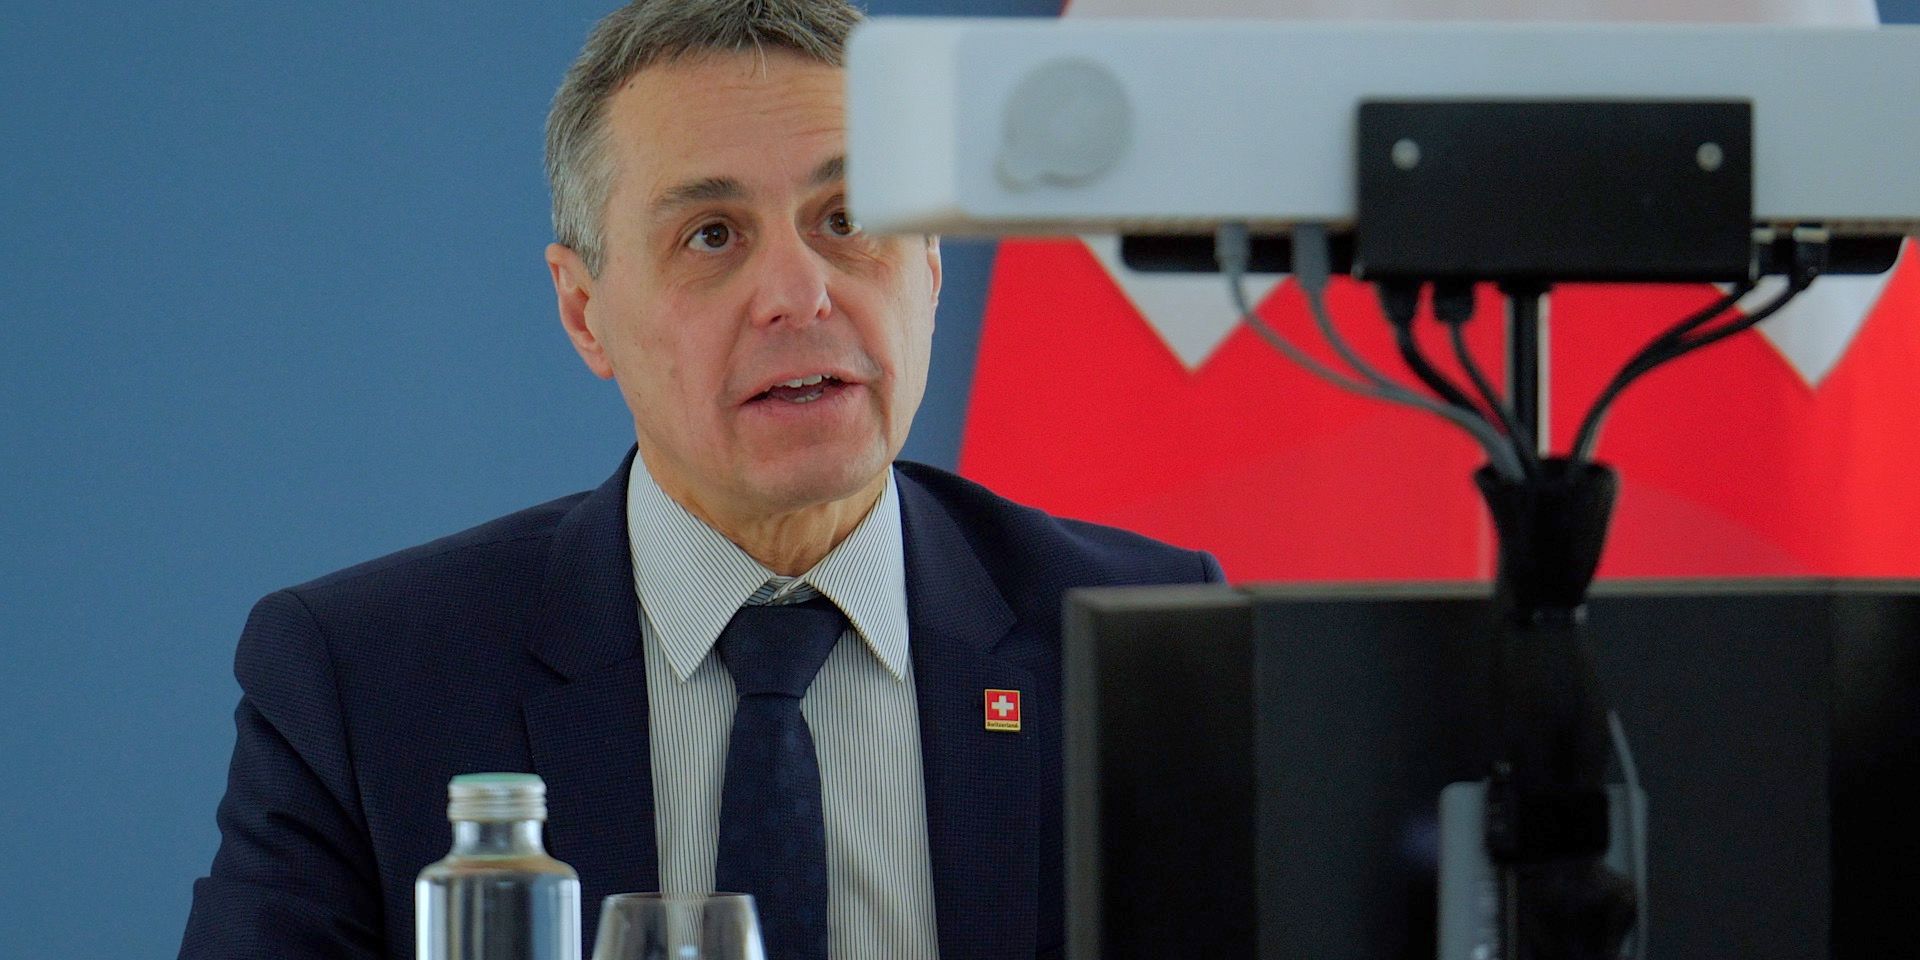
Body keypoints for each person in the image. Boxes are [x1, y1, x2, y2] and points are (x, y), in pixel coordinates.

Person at [177, 2, 1223, 958]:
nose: (798, 293)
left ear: (932, 268)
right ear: (585, 312)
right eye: (712, 236)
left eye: (848, 219)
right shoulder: (368, 683)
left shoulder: (1142, 641)